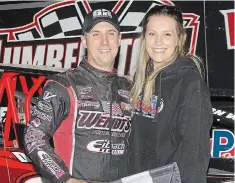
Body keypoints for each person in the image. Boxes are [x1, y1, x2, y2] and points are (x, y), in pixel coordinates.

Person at [24, 9, 132, 183]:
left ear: (119, 40)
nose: (104, 41)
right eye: (96, 34)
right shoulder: (64, 84)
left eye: (111, 33)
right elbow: (34, 136)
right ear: (84, 41)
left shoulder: (131, 89)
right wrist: (65, 179)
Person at [128, 5, 213, 183]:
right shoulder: (140, 78)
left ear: (179, 39)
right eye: (152, 34)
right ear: (144, 38)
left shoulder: (190, 84)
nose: (158, 42)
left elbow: (194, 156)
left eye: (167, 34)